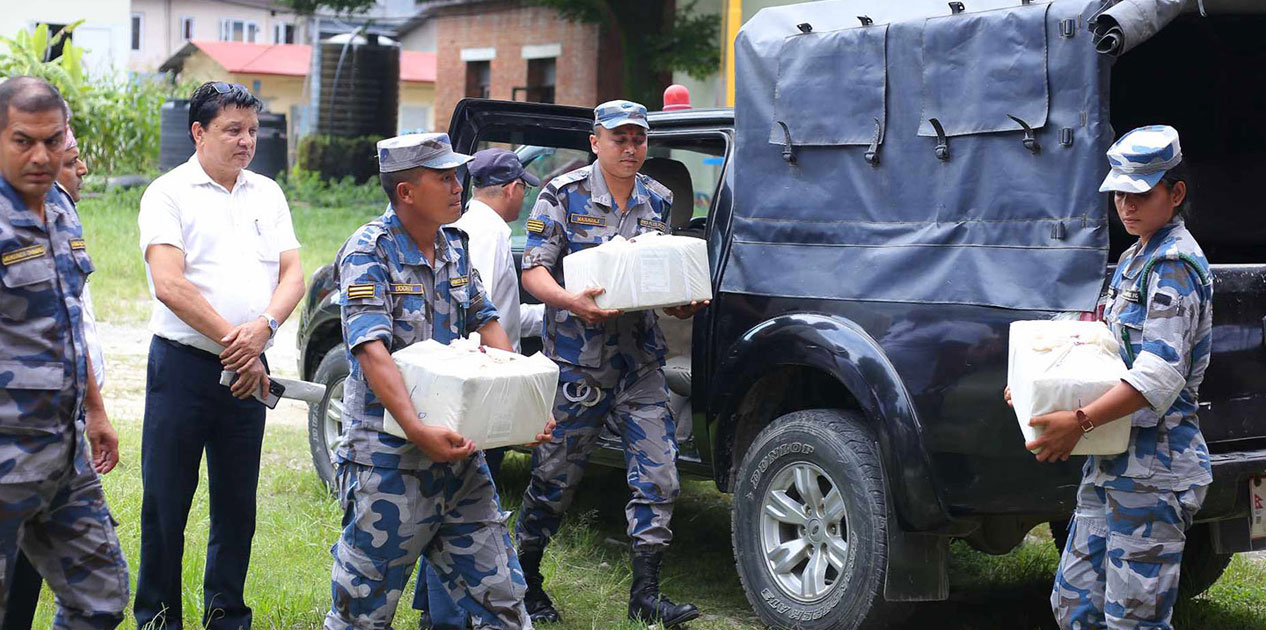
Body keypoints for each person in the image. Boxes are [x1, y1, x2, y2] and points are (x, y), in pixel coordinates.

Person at [324, 132, 553, 630]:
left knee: (505, 604)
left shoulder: (455, 246)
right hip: (388, 463)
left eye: (457, 175)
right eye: (444, 177)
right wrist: (416, 427)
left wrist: (524, 406)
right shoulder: (369, 251)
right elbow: (371, 351)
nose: (458, 186)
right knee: (361, 614)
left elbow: (488, 324)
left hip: (459, 461)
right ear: (406, 192)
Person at [1010, 125, 1212, 630]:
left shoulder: (1173, 264)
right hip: (1112, 464)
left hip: (1155, 472)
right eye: (1119, 192)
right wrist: (1035, 382)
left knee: (1132, 621)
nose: (1126, 204)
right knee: (1075, 605)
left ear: (1176, 193)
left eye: (1140, 193)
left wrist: (1077, 421)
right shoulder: (1135, 258)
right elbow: (1098, 347)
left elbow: (1159, 373)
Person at [514, 100, 707, 627]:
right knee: (554, 478)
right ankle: (526, 581)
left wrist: (680, 302)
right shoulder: (562, 192)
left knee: (660, 479)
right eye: (619, 138)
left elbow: (656, 279)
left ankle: (645, 595)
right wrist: (571, 300)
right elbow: (533, 272)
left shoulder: (658, 200)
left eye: (638, 140)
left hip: (640, 364)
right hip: (578, 364)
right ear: (595, 141)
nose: (630, 148)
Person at [135, 81, 305, 630]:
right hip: (184, 368)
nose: (246, 141)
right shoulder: (167, 193)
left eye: (252, 131)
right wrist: (241, 345)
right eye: (233, 130)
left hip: (249, 371)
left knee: (237, 505)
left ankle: (226, 615)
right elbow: (169, 283)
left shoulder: (267, 193)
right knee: (166, 503)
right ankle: (158, 617)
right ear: (198, 132)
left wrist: (265, 328)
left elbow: (293, 274)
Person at [0, 75, 129, 628]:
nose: (41, 155)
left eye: (53, 141)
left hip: (62, 450)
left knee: (101, 597)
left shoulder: (60, 208)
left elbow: (70, 322)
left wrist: (95, 410)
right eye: (23, 140)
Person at [411, 148, 546, 629]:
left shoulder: (473, 229)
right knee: (457, 510)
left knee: (446, 508)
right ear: (511, 190)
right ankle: (445, 615)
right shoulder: (485, 235)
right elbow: (475, 320)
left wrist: (555, 310)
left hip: (474, 381)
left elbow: (497, 311)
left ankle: (434, 610)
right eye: (522, 189)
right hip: (475, 389)